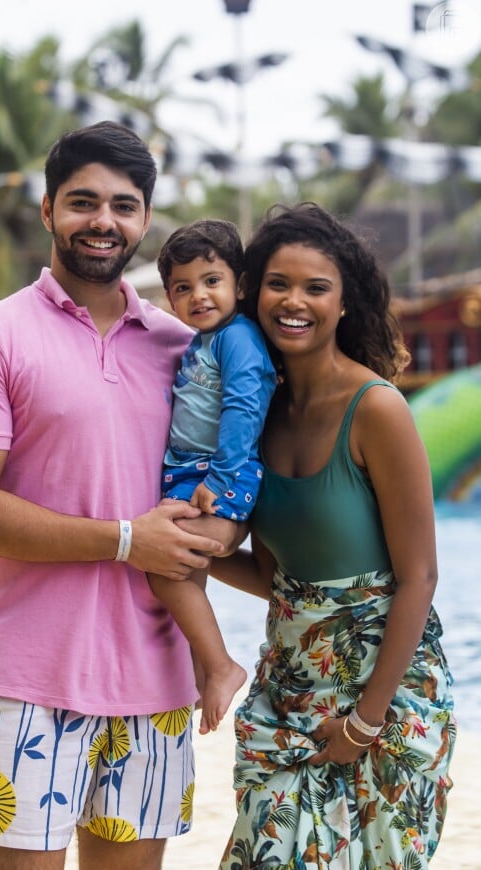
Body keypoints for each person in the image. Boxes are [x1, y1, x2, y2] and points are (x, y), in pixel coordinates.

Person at [0, 121, 227, 870]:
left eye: (123, 206)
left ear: (145, 220)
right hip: (26, 675)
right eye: (83, 202)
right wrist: (127, 540)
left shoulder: (180, 348)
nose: (103, 221)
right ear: (47, 210)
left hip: (154, 676)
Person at [209, 202, 457, 869]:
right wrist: (191, 556)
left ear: (344, 303)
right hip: (288, 695)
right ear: (253, 293)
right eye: (277, 283)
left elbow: (419, 578)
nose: (294, 301)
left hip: (384, 698)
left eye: (315, 287)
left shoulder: (377, 409)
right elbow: (274, 578)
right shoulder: (257, 416)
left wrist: (364, 723)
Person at [148, 219, 277, 736]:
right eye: (183, 288)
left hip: (219, 470)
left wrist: (222, 479)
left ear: (239, 285)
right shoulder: (205, 340)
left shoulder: (237, 338)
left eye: (211, 280)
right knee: (189, 575)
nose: (198, 295)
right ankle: (205, 672)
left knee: (166, 567)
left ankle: (222, 665)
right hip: (191, 469)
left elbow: (245, 408)